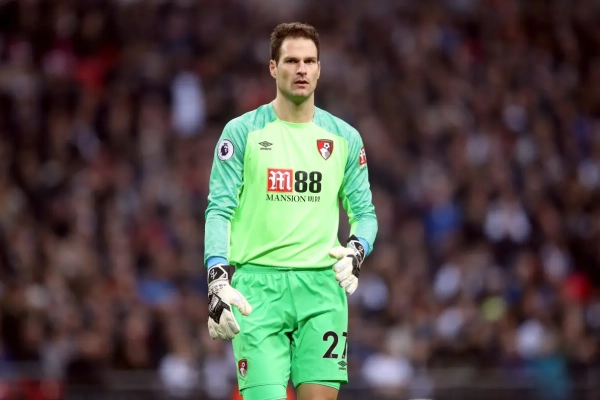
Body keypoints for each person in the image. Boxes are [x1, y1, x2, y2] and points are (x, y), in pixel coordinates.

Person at [204, 22, 378, 400]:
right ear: (273, 67)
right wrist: (217, 279)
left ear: (319, 69)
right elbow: (219, 210)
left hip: (322, 289)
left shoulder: (345, 138)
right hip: (257, 291)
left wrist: (357, 250)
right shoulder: (241, 133)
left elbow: (365, 213)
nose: (301, 69)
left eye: (310, 61)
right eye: (292, 61)